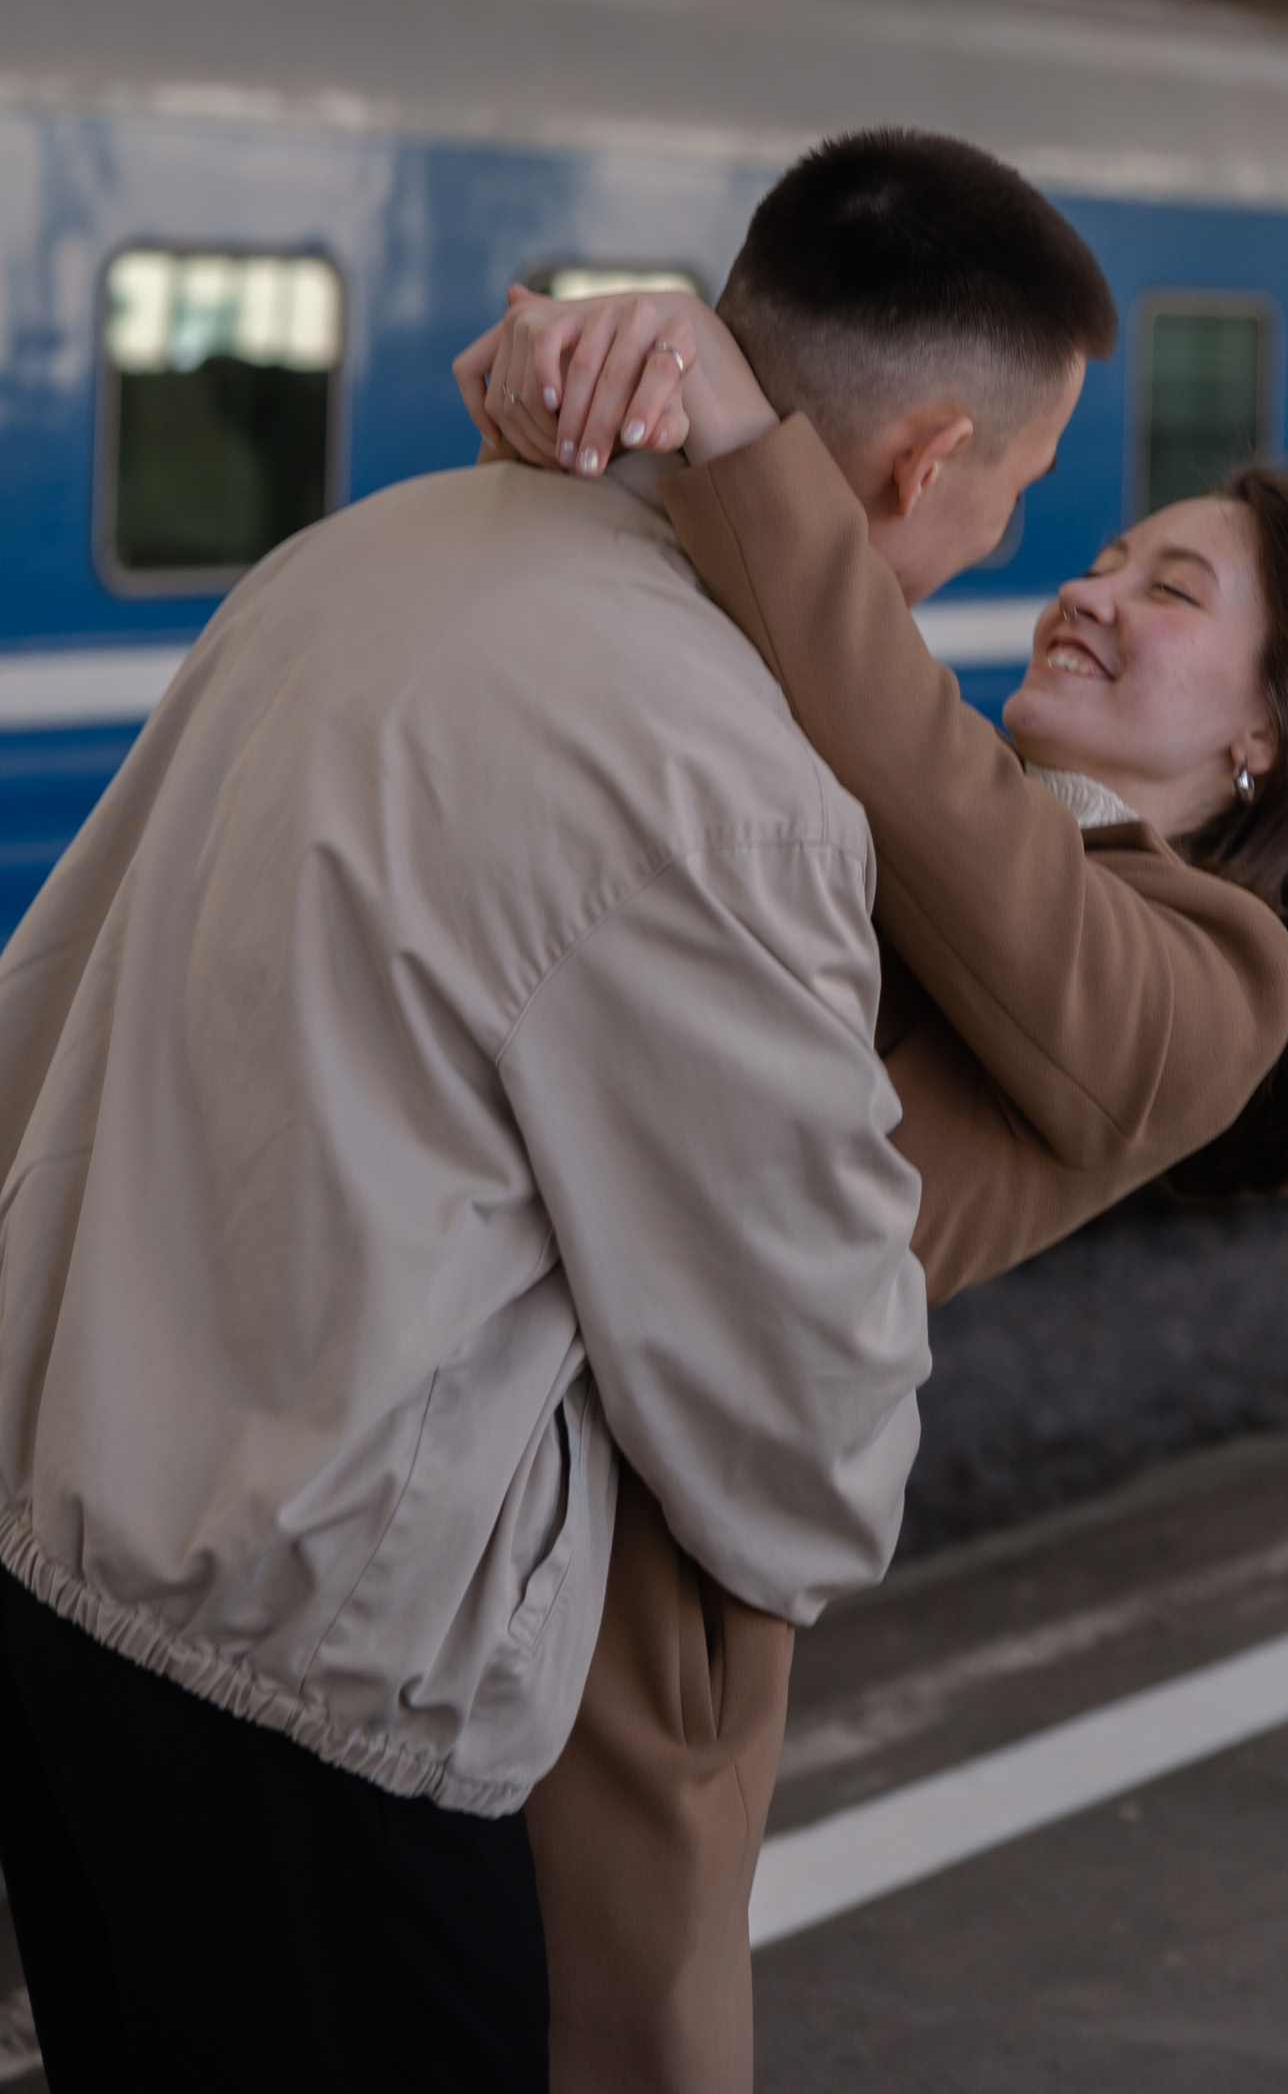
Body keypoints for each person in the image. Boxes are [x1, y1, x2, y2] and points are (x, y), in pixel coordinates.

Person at [0, 130, 1118, 2094]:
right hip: (323, 1690)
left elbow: (48, 1000)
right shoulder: (717, 777)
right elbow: (800, 1442)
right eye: (1015, 500)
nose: (999, 555)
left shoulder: (354, 554)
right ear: (923, 463)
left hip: (59, 1589)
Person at [466, 232, 1288, 2094]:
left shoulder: (1208, 972)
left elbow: (918, 777)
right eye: (1099, 554)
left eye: (1168, 589)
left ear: (1269, 731)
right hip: (487, 1516)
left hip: (615, 1610)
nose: (1086, 594)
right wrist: (583, 393)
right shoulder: (935, 820)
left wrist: (732, 413)